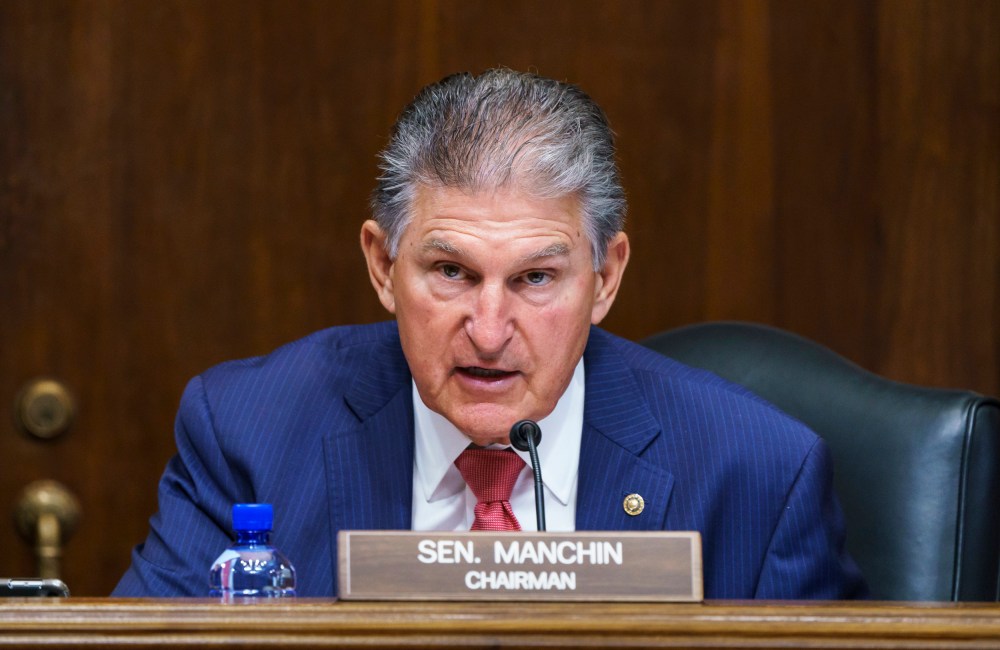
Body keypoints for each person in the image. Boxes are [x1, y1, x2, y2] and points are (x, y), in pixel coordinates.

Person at [113, 68, 867, 599]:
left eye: (536, 279)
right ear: (382, 265)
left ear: (605, 278)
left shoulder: (759, 475)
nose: (489, 330)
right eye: (451, 271)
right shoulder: (248, 433)